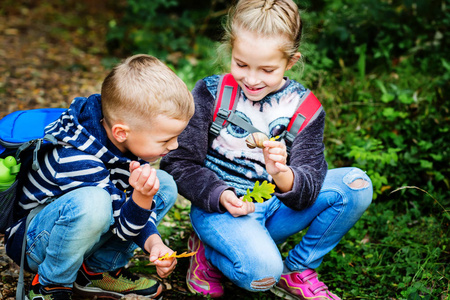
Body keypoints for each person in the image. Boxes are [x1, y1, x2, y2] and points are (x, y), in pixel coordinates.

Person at [160, 0, 373, 299]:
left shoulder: (306, 108)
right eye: (241, 64)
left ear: (291, 61)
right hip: (222, 210)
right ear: (231, 50)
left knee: (357, 185)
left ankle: (298, 269)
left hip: (276, 207)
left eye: (267, 69)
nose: (251, 78)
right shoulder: (211, 93)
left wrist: (283, 174)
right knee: (262, 275)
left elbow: (309, 183)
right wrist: (220, 194)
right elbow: (178, 161)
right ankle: (207, 253)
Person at [4, 54, 195, 300]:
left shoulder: (123, 144)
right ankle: (51, 285)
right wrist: (142, 198)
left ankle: (94, 273)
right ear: (121, 132)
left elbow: (124, 213)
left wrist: (154, 243)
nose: (175, 145)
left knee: (163, 183)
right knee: (95, 203)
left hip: (87, 227)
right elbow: (123, 219)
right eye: (165, 140)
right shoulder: (77, 158)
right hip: (35, 241)